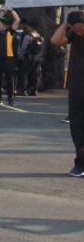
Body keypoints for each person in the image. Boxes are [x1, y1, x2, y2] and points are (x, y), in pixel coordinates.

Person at [50, 12, 84, 177]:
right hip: (76, 86)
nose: (79, 32)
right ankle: (80, 164)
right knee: (77, 128)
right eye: (76, 30)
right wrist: (66, 24)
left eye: (81, 29)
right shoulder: (73, 34)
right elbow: (55, 40)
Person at [0, 7, 20, 107]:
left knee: (10, 79)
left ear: (4, 26)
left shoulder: (9, 32)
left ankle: (11, 98)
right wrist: (0, 10)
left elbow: (17, 20)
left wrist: (11, 11)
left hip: (8, 58)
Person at [18, 22, 43, 96]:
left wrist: (20, 56)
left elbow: (24, 47)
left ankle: (23, 90)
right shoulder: (38, 36)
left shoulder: (28, 36)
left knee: (23, 73)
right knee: (35, 74)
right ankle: (34, 90)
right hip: (37, 58)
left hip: (29, 57)